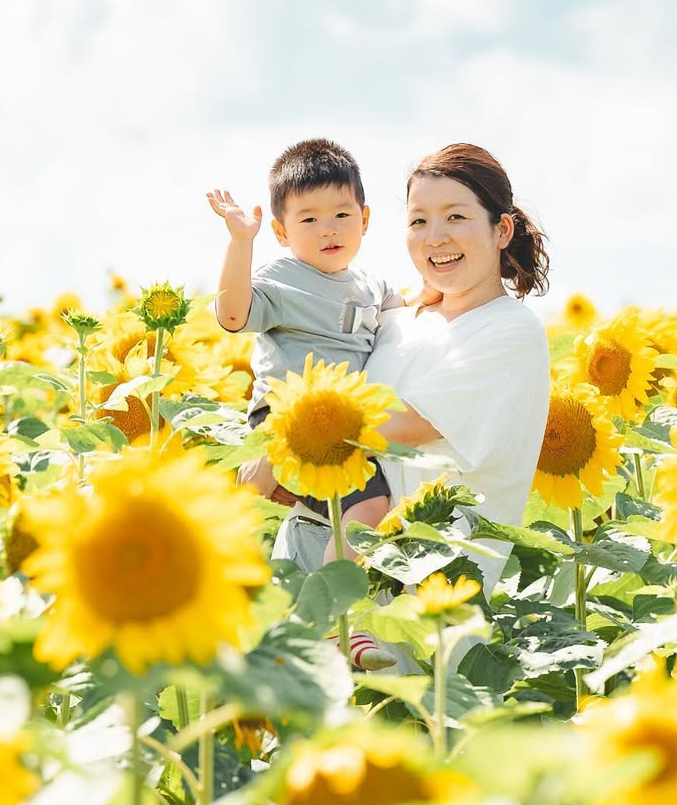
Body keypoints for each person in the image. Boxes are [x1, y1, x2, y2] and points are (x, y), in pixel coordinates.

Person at [275, 142, 552, 657]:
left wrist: (282, 440)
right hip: (311, 546)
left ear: (502, 229)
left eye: (456, 216)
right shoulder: (395, 320)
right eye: (419, 220)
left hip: (416, 603)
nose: (435, 237)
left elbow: (402, 427)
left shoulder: (508, 332)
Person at [208, 138, 403, 555]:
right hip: (285, 417)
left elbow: (404, 321)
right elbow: (231, 315)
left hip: (339, 426)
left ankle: (263, 477)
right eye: (309, 219)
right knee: (370, 505)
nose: (328, 228)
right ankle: (344, 612)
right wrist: (241, 242)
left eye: (341, 214)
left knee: (368, 504)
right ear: (281, 232)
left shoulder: (374, 286)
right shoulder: (284, 276)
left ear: (364, 220)